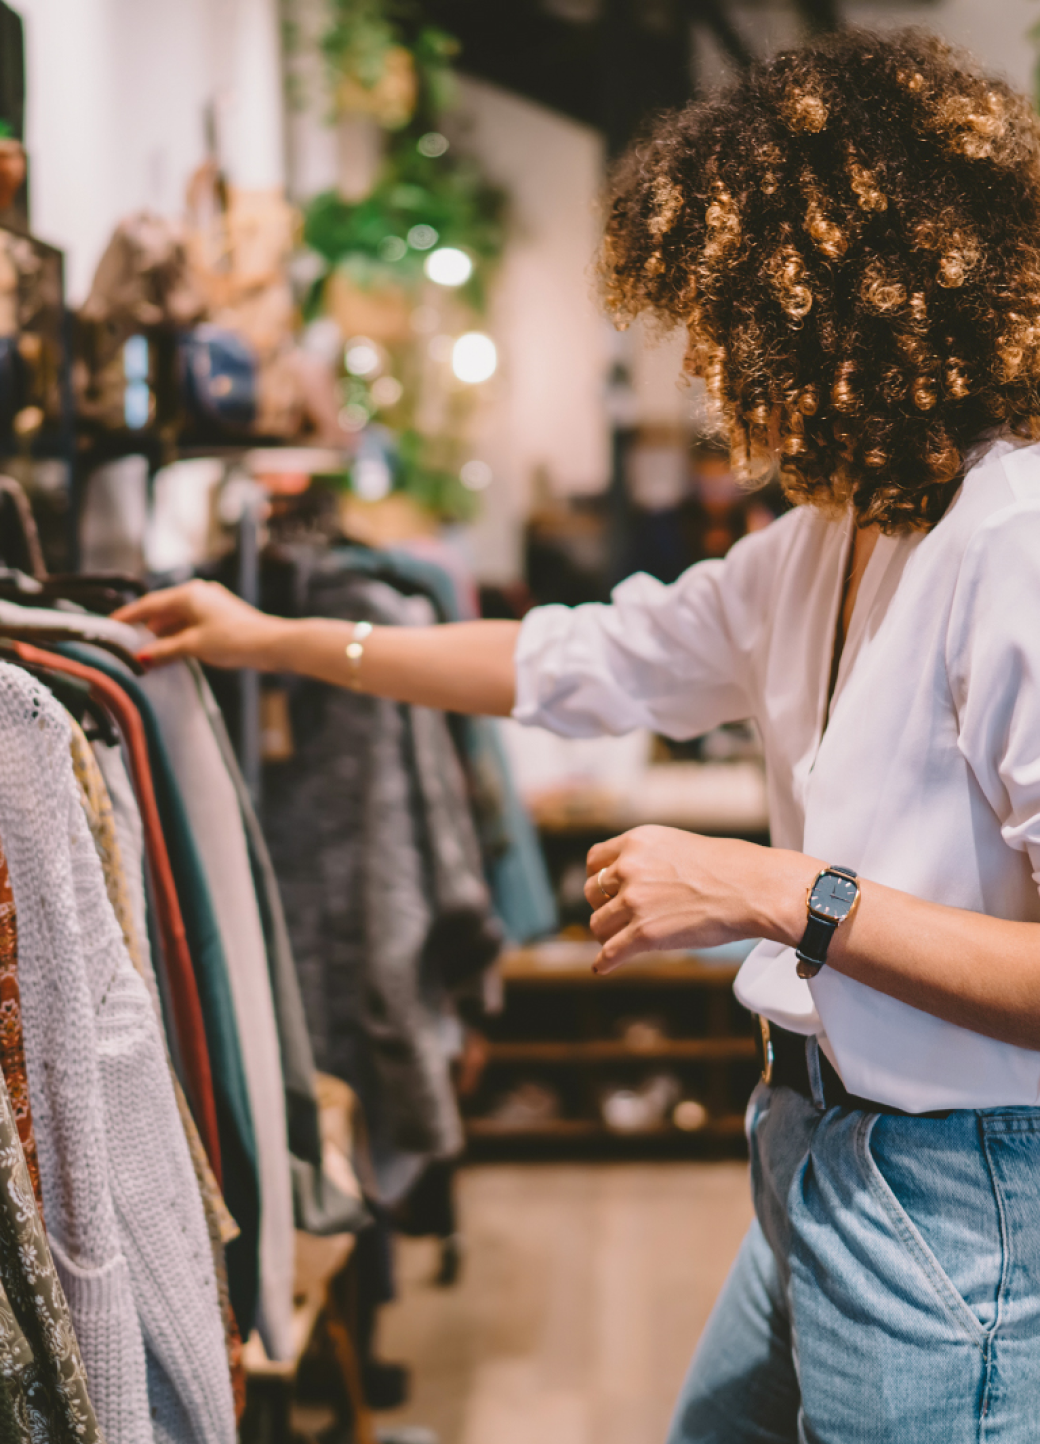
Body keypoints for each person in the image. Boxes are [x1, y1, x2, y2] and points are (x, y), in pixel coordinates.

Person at [117, 29, 1040, 1443]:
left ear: (848, 310)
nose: (718, 376)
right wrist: (274, 638)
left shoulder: (1014, 540)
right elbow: (571, 658)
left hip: (957, 1198)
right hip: (813, 1150)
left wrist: (774, 891)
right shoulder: (834, 538)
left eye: (738, 325)